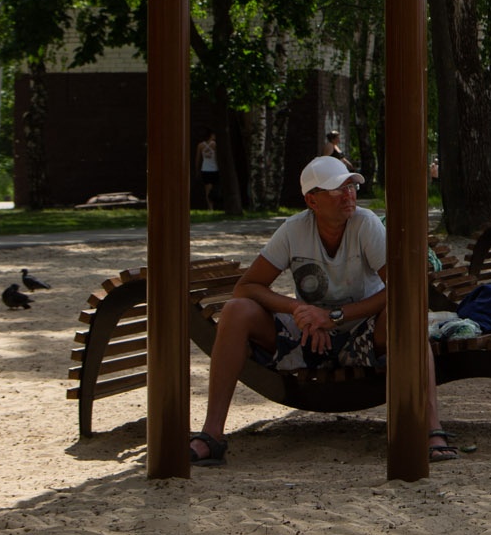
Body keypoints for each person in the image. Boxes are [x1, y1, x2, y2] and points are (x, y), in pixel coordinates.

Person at [187, 156, 456, 466]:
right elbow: (247, 288)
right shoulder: (294, 230)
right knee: (236, 310)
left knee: (407, 316)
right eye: (336, 190)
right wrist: (299, 309)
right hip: (310, 337)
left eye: (351, 186)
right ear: (312, 200)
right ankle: (212, 435)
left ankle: (431, 428)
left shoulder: (364, 224)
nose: (349, 195)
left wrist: (334, 316)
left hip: (364, 332)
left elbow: (403, 291)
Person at [193, 128, 220, 211]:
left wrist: (197, 170)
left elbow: (198, 159)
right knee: (214, 189)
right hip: (215, 169)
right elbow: (217, 158)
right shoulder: (215, 145)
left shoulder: (200, 145)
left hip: (205, 169)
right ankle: (213, 206)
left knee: (207, 190)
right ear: (211, 135)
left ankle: (210, 207)